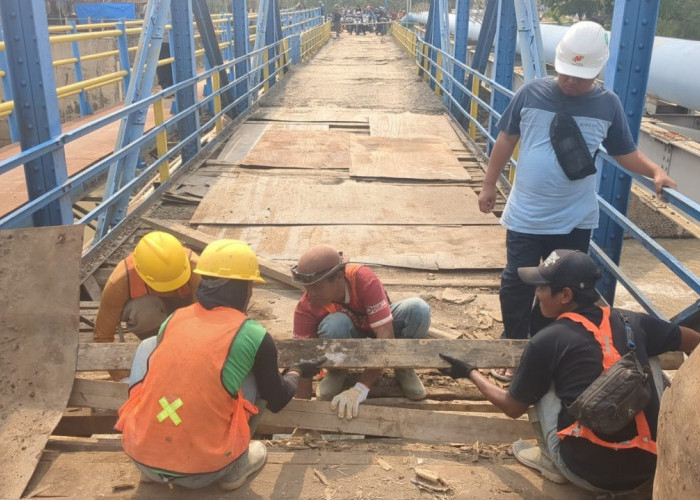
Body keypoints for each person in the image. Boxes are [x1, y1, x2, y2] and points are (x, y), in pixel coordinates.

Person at [477, 21, 678, 382]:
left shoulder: (608, 105)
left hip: (573, 218)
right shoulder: (531, 93)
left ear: (598, 70)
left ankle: (544, 346)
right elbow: (506, 138)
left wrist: (655, 173)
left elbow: (625, 152)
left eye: (580, 77)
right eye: (566, 73)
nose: (570, 82)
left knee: (565, 291)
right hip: (526, 213)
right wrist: (489, 184)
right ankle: (512, 342)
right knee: (516, 282)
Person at [439, 249, 700, 495]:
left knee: (540, 378)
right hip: (648, 466)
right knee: (647, 358)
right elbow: (692, 341)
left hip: (585, 472)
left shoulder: (546, 340)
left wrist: (470, 372)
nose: (537, 293)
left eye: (542, 287)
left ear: (565, 295)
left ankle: (548, 459)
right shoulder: (633, 320)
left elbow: (512, 407)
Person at [116, 239, 326, 491]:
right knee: (246, 370)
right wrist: (298, 371)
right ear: (244, 288)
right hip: (204, 472)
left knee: (149, 347)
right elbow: (277, 398)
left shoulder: (174, 319)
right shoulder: (252, 334)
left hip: (140, 458)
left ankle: (155, 463)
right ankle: (234, 469)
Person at [291, 245, 431, 418]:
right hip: (351, 331)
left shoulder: (364, 280)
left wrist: (361, 388)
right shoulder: (307, 306)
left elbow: (385, 337)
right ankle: (338, 369)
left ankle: (403, 365)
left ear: (339, 277)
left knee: (418, 310)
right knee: (334, 325)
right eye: (307, 288)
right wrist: (303, 418)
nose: (310, 295)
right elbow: (302, 356)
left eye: (316, 288)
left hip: (378, 325)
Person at [93, 231, 201, 380]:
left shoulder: (197, 269)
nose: (170, 289)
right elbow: (102, 337)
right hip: (153, 318)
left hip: (188, 318)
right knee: (142, 311)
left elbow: (208, 318)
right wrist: (122, 379)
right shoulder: (120, 281)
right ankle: (158, 352)